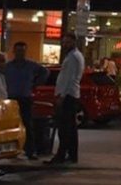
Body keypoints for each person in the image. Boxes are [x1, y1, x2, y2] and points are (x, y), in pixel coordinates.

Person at [6, 41, 50, 160]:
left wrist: (36, 84)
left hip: (25, 98)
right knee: (12, 126)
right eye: (18, 50)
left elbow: (45, 72)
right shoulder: (8, 66)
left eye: (23, 50)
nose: (20, 53)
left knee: (28, 125)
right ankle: (12, 151)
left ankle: (30, 150)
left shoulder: (31, 65)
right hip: (12, 99)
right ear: (14, 51)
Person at [47, 34, 84, 165]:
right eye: (64, 42)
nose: (65, 45)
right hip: (71, 94)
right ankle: (71, 155)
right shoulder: (74, 56)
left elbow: (69, 78)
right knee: (71, 127)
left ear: (74, 42)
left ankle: (62, 155)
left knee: (64, 128)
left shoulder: (73, 57)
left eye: (68, 42)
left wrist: (61, 96)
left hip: (68, 95)